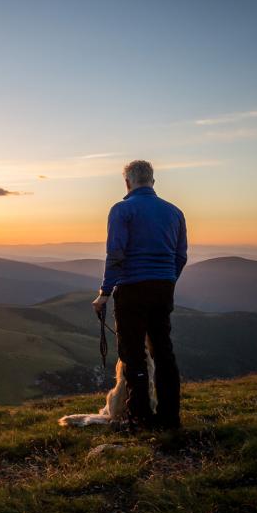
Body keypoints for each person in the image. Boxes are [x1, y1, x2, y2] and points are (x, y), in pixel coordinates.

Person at [92, 160, 187, 431]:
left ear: (127, 182)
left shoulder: (122, 210)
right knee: (163, 352)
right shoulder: (175, 212)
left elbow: (116, 255)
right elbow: (180, 256)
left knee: (133, 354)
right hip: (163, 287)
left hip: (132, 288)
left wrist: (104, 293)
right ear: (153, 182)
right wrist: (167, 279)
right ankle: (170, 417)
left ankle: (140, 418)